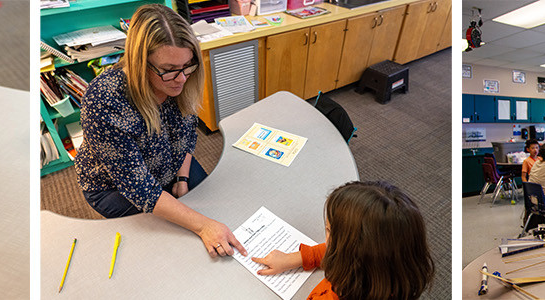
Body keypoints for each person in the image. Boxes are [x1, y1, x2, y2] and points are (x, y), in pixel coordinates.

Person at [74, 4, 245, 257]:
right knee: (172, 249)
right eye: (168, 70)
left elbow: (187, 136)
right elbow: (139, 188)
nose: (182, 79)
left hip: (168, 164)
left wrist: (183, 179)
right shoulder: (104, 99)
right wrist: (202, 224)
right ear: (140, 63)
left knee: (215, 212)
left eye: (188, 65)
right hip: (114, 186)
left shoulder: (183, 76)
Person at [250, 181, 434, 299]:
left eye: (329, 231)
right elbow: (336, 249)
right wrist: (297, 258)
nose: (326, 236)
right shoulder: (391, 272)